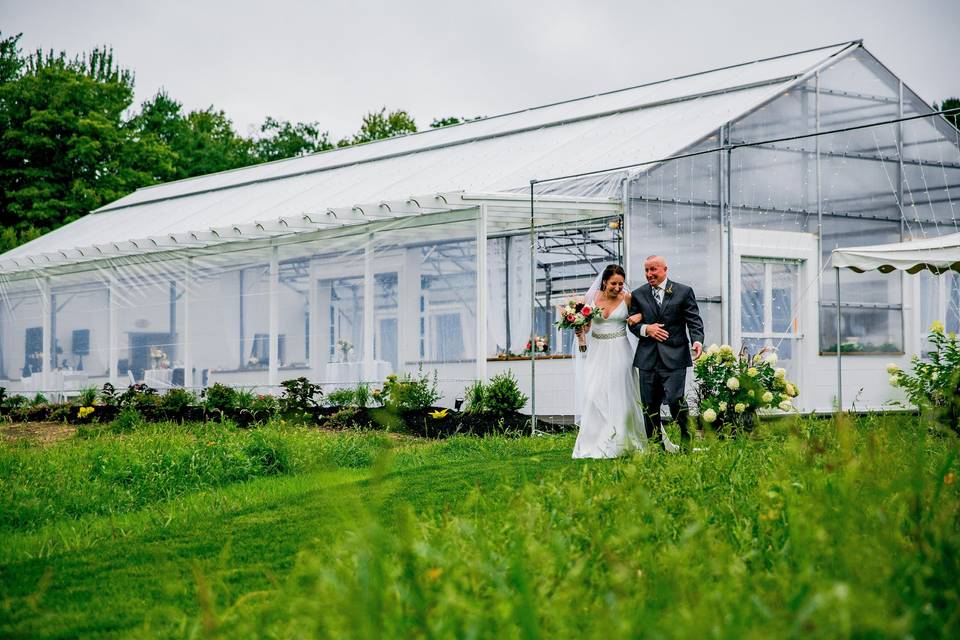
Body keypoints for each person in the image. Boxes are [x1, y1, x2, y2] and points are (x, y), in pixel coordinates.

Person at [571, 264, 649, 458]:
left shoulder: (628, 298)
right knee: (593, 392)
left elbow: (641, 316)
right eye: (614, 283)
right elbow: (587, 327)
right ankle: (594, 440)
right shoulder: (591, 298)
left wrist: (639, 316)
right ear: (605, 281)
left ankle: (620, 441)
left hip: (620, 350)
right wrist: (580, 330)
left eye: (621, 284)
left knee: (618, 392)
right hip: (597, 351)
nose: (617, 287)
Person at [627, 255, 704, 450]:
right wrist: (646, 329)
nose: (649, 274)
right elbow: (632, 324)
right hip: (647, 359)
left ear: (665, 269)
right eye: (646, 270)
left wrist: (697, 340)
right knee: (649, 406)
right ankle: (655, 446)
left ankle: (687, 442)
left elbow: (694, 320)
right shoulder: (638, 294)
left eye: (653, 269)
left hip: (675, 356)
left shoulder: (683, 291)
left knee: (675, 400)